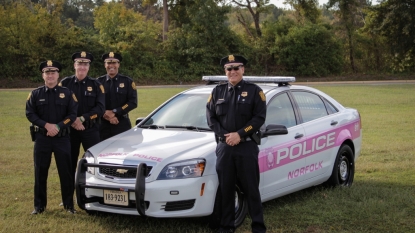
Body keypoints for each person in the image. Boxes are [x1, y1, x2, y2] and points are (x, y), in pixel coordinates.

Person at [206, 55, 267, 233]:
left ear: (243, 69)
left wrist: (240, 134)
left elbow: (259, 118)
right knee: (226, 189)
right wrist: (226, 136)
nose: (232, 71)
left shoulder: (255, 91)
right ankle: (227, 227)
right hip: (225, 148)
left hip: (246, 147)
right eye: (229, 68)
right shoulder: (217, 92)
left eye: (236, 68)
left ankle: (258, 227)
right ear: (225, 71)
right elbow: (211, 118)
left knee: (251, 189)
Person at [26, 60, 78, 214]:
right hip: (42, 138)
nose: (50, 75)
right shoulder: (35, 94)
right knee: (40, 172)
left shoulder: (68, 94)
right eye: (47, 73)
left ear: (58, 75)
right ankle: (39, 206)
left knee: (66, 172)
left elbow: (72, 115)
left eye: (53, 72)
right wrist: (46, 125)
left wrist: (58, 126)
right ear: (43, 75)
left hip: (62, 138)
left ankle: (69, 205)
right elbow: (30, 113)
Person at [59, 51, 105, 188]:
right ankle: (68, 195)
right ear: (74, 65)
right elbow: (60, 107)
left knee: (94, 162)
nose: (82, 67)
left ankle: (94, 190)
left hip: (90, 129)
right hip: (70, 131)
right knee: (69, 162)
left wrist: (82, 118)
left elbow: (100, 108)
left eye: (85, 64)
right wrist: (73, 120)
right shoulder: (65, 83)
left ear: (89, 67)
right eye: (80, 64)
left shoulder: (96, 84)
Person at [97, 52, 137, 141]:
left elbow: (132, 102)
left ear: (118, 64)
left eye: (114, 63)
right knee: (102, 152)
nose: (111, 65)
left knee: (124, 151)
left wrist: (115, 111)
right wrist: (105, 114)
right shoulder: (98, 82)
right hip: (102, 124)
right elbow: (94, 103)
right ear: (105, 65)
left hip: (122, 123)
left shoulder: (127, 81)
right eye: (108, 63)